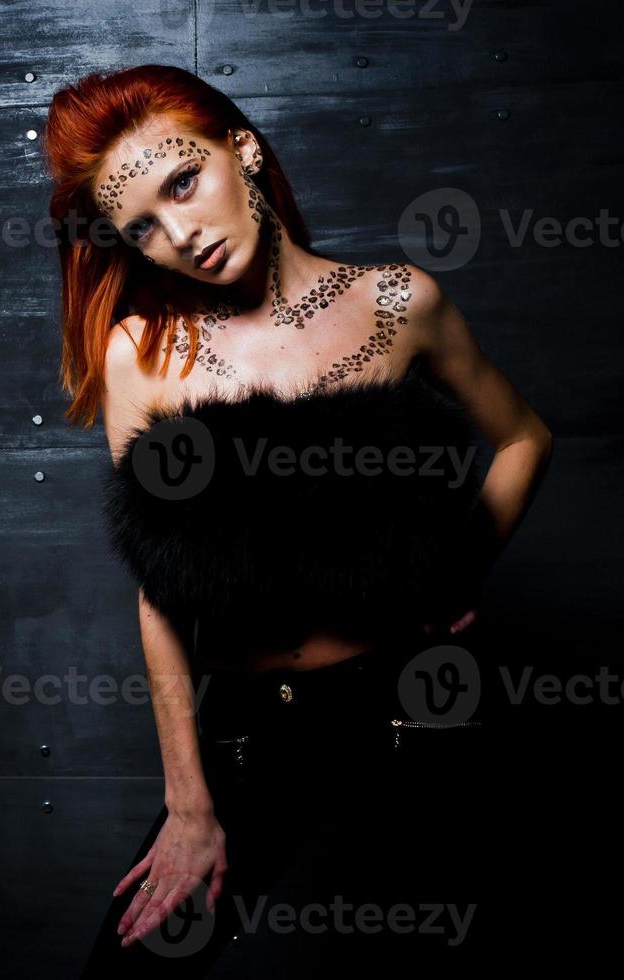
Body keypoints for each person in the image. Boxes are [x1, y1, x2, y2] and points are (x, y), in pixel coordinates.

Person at [42, 65, 554, 976]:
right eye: (142, 228)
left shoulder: (399, 303)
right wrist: (190, 804)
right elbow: (158, 598)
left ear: (241, 149)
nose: (179, 234)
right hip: (247, 726)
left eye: (182, 183)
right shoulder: (142, 355)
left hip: (408, 705)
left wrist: (453, 569)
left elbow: (522, 438)